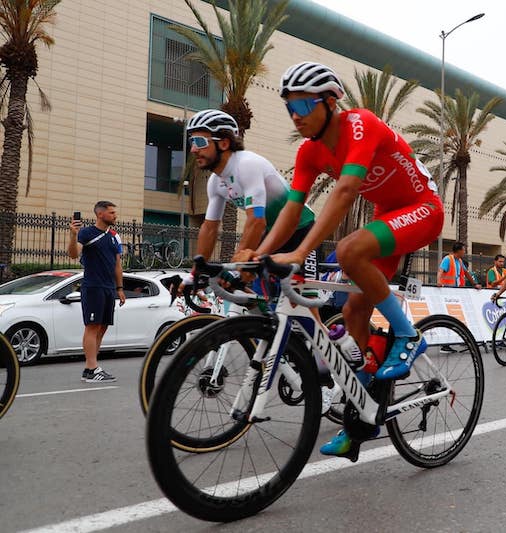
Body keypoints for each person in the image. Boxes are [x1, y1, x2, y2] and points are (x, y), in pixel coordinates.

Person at [251, 62, 444, 457]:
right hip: (387, 216)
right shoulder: (309, 152)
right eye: (289, 107)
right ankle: (364, 415)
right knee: (355, 309)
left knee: (348, 250)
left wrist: (302, 251)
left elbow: (346, 190)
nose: (295, 116)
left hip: (423, 208)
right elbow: (292, 208)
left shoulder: (361, 124)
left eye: (303, 106)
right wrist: (262, 253)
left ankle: (408, 335)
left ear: (329, 102)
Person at [181, 109, 317, 289]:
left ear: (223, 143)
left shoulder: (246, 165)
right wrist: (195, 273)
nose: (193, 149)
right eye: (192, 142)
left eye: (199, 142)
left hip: (301, 230)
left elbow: (257, 221)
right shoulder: (215, 182)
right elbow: (209, 228)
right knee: (250, 293)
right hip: (271, 234)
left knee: (301, 297)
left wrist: (236, 267)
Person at [67, 201, 125, 383]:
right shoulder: (86, 233)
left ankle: (90, 367)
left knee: (102, 327)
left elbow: (117, 264)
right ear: (100, 214)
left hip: (109, 288)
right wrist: (73, 235)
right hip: (93, 287)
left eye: (115, 212)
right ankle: (92, 368)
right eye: (111, 212)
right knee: (92, 326)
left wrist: (120, 288)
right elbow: (73, 254)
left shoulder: (114, 236)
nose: (115, 215)